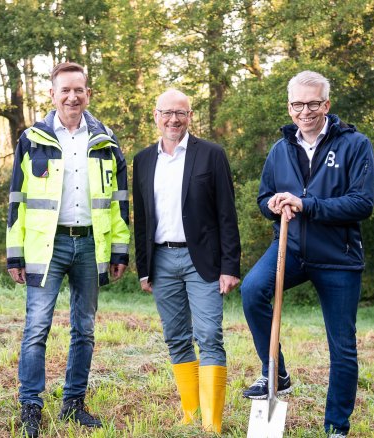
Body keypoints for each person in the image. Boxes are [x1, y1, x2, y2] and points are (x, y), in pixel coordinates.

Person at [240, 70, 374, 437]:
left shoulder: (355, 144)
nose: (306, 111)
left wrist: (307, 204)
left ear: (327, 104)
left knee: (342, 346)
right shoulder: (280, 148)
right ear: (289, 106)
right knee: (252, 291)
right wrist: (272, 204)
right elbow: (262, 197)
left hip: (339, 257)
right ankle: (277, 374)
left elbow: (362, 203)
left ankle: (336, 427)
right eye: (298, 104)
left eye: (313, 103)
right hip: (291, 249)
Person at [6, 62, 130, 438]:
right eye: (65, 91)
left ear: (88, 94)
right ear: (52, 95)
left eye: (79, 90)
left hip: (92, 246)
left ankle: (74, 403)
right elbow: (17, 200)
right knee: (36, 328)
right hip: (47, 246)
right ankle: (31, 405)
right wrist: (15, 253)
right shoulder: (32, 139)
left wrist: (120, 251)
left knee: (85, 329)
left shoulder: (106, 142)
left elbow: (119, 202)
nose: (72, 97)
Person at [132, 89, 240, 433]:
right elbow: (142, 218)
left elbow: (227, 213)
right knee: (177, 338)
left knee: (209, 335)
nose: (173, 119)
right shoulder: (143, 160)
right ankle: (191, 414)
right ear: (155, 115)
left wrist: (230, 266)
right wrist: (144, 267)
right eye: (167, 113)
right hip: (161, 261)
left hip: (203, 261)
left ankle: (212, 423)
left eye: (181, 113)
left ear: (190, 116)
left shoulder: (211, 155)